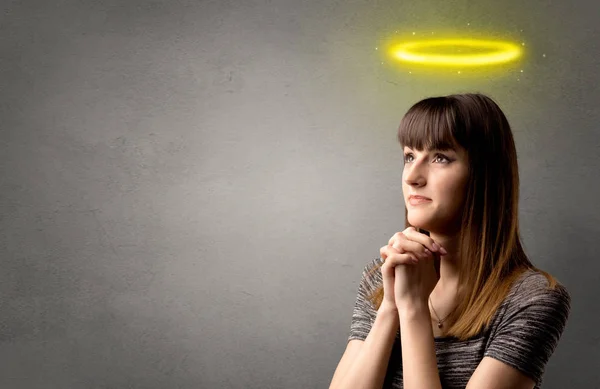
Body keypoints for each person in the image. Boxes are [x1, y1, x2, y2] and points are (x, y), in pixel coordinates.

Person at [328, 93, 571, 389]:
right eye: (409, 156)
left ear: (484, 174)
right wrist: (391, 306)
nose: (413, 176)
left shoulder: (533, 299)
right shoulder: (381, 277)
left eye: (440, 158)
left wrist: (414, 309)